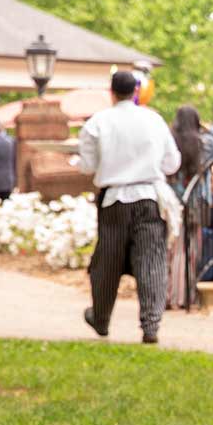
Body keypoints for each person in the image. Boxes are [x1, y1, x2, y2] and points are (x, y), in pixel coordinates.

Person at [80, 69, 179, 344]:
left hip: (114, 200)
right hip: (149, 197)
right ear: (135, 92)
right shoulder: (154, 120)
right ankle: (151, 326)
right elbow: (172, 163)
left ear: (111, 92)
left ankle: (101, 319)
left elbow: (87, 165)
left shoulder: (97, 122)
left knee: (106, 263)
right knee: (152, 262)